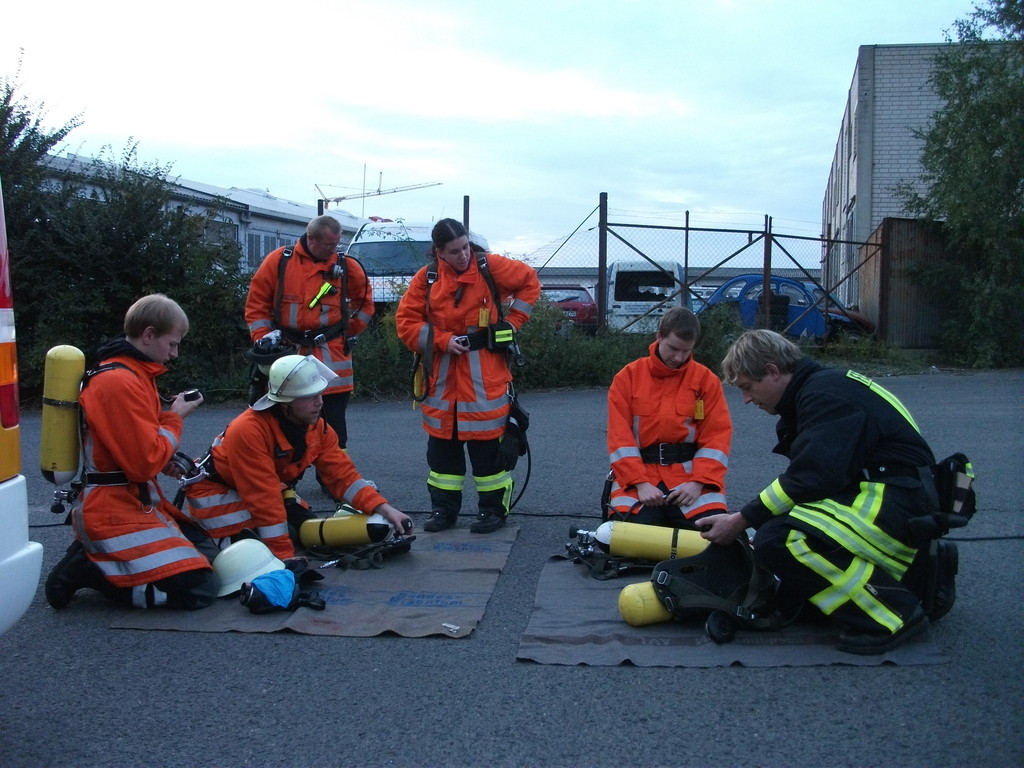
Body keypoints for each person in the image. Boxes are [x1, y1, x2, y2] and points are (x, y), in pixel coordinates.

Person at [698, 329, 941, 655]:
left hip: (894, 503)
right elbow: (816, 479)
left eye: (747, 387)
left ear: (772, 371)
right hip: (892, 495)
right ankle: (852, 595)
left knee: (784, 539)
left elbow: (810, 477)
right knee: (779, 530)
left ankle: (892, 615)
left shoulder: (824, 396)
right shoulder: (822, 388)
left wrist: (742, 519)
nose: (745, 399)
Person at [45, 294, 218, 610]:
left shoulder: (135, 375)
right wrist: (175, 418)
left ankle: (98, 559)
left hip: (135, 499)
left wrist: (166, 457)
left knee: (208, 555)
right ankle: (90, 568)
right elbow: (142, 464)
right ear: (149, 335)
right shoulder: (118, 382)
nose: (175, 353)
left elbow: (137, 447)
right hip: (114, 508)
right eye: (172, 344)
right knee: (200, 589)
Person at [179, 354, 413, 559]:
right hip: (216, 495)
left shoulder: (317, 428)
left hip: (262, 489)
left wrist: (385, 509)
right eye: (309, 396)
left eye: (320, 393)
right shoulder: (249, 430)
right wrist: (284, 558)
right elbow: (263, 499)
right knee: (254, 552)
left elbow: (344, 477)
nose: (319, 402)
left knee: (302, 528)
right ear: (285, 404)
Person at [395, 218, 541, 534]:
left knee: (489, 457)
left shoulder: (489, 266)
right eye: (454, 251)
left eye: (465, 247)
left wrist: (514, 322)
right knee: (442, 458)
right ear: (439, 252)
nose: (463, 255)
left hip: (485, 380)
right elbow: (406, 323)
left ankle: (493, 512)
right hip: (442, 383)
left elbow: (530, 282)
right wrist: (442, 341)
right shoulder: (427, 278)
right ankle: (443, 512)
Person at [244, 214, 374, 453]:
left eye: (336, 244)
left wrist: (346, 331)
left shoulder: (347, 266)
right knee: (285, 428)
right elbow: (257, 303)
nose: (334, 250)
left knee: (334, 432)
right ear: (311, 238)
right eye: (329, 245)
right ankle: (288, 472)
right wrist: (264, 340)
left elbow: (365, 303)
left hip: (332, 359)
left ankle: (335, 473)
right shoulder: (280, 261)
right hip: (288, 355)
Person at [606, 307, 732, 525]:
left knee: (713, 534)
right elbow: (620, 438)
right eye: (673, 348)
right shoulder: (628, 377)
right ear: (659, 336)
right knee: (626, 535)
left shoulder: (706, 380)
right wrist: (640, 483)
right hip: (639, 479)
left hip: (690, 479)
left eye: (686, 351)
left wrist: (698, 482)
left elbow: (717, 438)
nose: (679, 357)